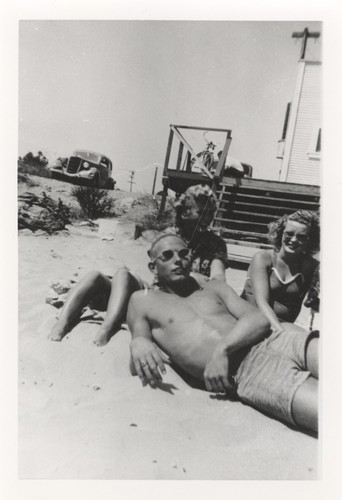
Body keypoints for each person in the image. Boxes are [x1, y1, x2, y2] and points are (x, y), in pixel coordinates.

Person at [127, 233, 318, 433]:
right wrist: (139, 341)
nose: (178, 260)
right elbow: (139, 335)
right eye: (167, 256)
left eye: (183, 254)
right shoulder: (143, 299)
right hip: (248, 372)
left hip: (278, 341)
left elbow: (258, 319)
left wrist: (222, 350)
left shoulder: (214, 286)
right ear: (152, 267)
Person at [48, 184, 229, 345]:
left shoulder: (215, 243)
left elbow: (218, 279)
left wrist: (195, 279)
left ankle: (108, 327)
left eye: (211, 214)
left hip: (183, 300)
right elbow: (158, 274)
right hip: (156, 293)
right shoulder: (167, 237)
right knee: (108, 275)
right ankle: (62, 323)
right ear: (184, 213)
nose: (208, 219)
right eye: (202, 213)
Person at [240, 210, 320, 333]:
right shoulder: (263, 259)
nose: (293, 240)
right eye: (289, 234)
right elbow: (261, 302)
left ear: (310, 240)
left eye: (301, 237)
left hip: (283, 326)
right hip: (251, 322)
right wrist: (281, 333)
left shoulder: (309, 266)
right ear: (280, 233)